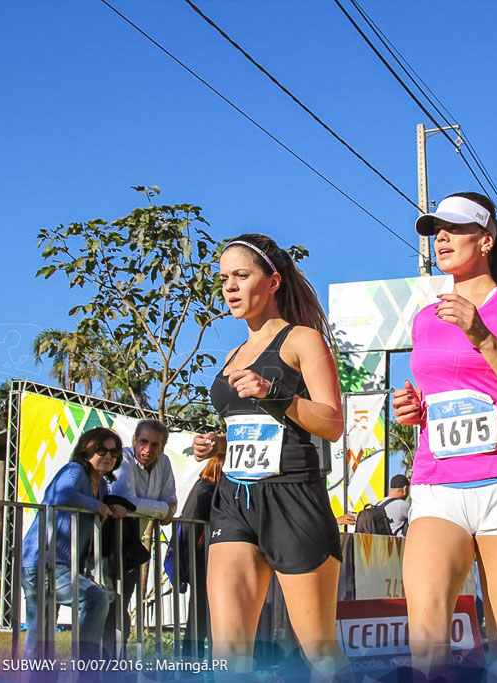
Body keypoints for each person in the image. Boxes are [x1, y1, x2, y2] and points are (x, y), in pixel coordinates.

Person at [393, 192, 497, 672]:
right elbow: (445, 400)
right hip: (437, 485)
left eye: (454, 228)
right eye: (435, 230)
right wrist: (415, 410)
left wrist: (482, 335)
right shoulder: (426, 319)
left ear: (485, 240)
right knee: (425, 640)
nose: (440, 237)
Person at [191, 233, 346, 677]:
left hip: (292, 496)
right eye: (224, 279)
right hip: (234, 499)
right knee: (228, 653)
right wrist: (217, 445)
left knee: (319, 651)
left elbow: (332, 424)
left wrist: (273, 393)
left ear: (273, 281)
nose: (230, 288)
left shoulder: (303, 340)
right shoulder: (232, 354)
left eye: (242, 276)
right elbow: (252, 427)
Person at [21, 427, 126, 660]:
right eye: (101, 449)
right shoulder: (75, 470)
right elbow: (61, 493)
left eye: (114, 451)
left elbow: (99, 507)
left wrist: (112, 507)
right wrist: (96, 506)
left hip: (60, 565)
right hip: (41, 561)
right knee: (94, 599)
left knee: (42, 641)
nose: (108, 456)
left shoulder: (102, 487)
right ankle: (86, 669)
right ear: (85, 451)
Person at [102, 419, 177, 655]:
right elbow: (127, 500)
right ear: (134, 440)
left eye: (155, 444)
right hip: (104, 544)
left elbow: (172, 501)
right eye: (143, 442)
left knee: (121, 605)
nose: (148, 449)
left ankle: (117, 664)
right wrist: (162, 510)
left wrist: (164, 508)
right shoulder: (123, 458)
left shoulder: (164, 462)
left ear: (163, 447)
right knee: (103, 605)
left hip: (131, 546)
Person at [175, 453, 224, 658]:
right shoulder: (207, 491)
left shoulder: (201, 488)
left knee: (199, 611)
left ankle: (193, 660)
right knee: (200, 612)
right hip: (202, 558)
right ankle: (193, 662)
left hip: (197, 557)